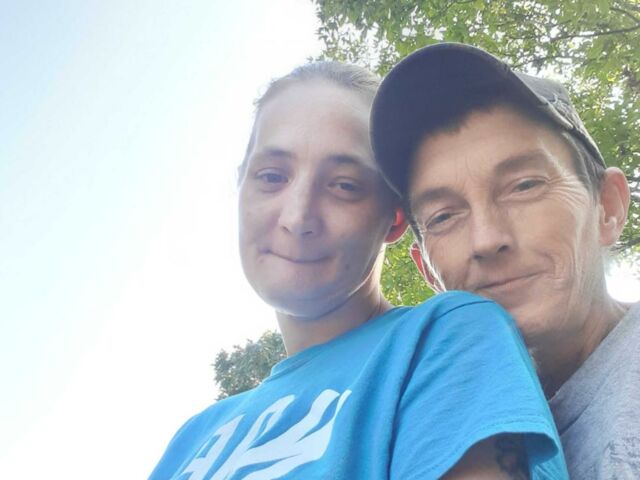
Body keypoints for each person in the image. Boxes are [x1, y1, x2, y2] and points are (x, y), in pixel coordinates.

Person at [149, 61, 568, 479]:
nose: (297, 217)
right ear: (241, 185)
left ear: (395, 219)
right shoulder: (193, 438)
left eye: (344, 185)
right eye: (272, 177)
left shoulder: (444, 338)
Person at [370, 42, 639, 479]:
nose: (487, 239)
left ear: (607, 207)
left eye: (524, 185)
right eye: (444, 216)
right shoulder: (428, 440)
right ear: (428, 271)